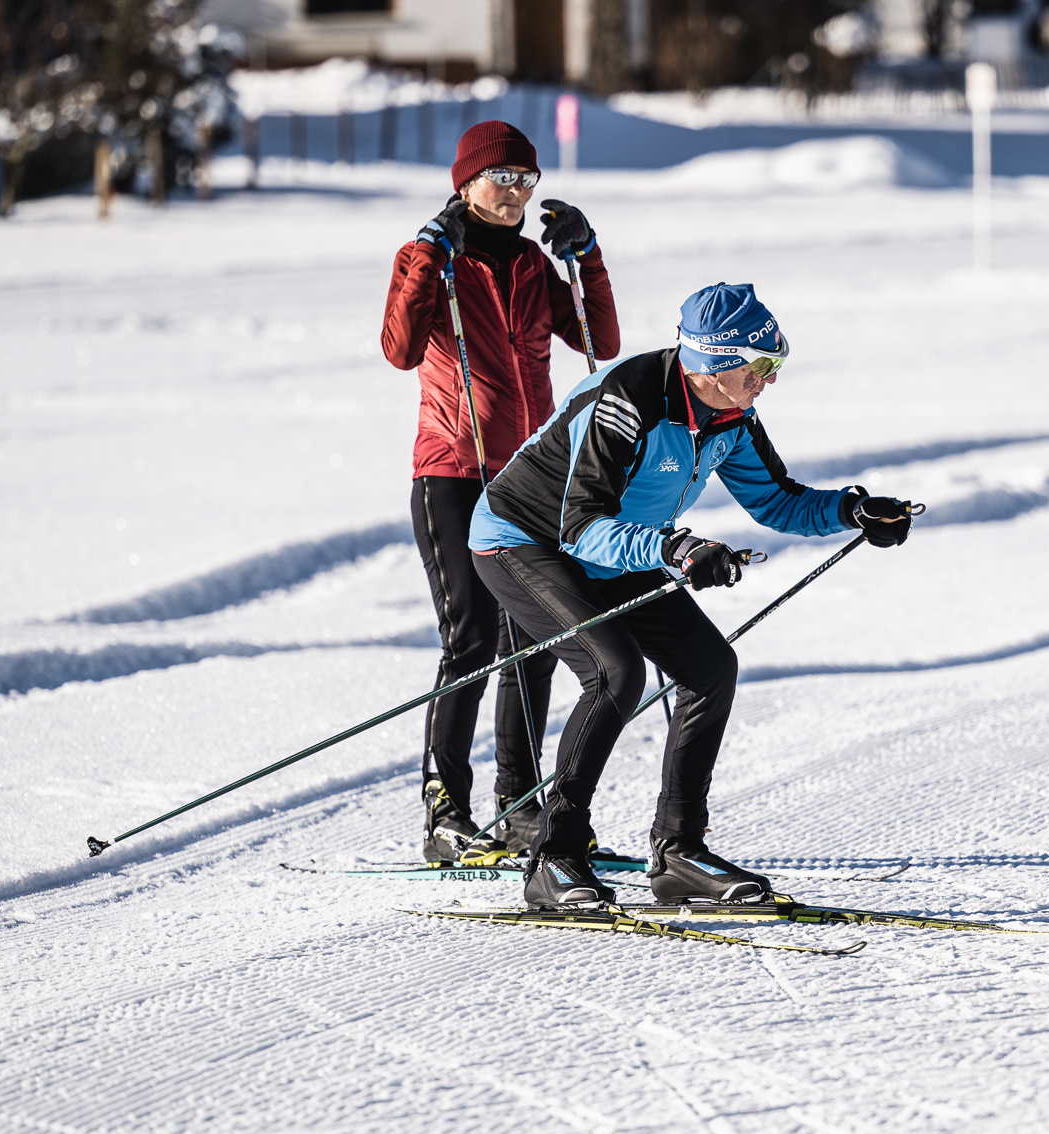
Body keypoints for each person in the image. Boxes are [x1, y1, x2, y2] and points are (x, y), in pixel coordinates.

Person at [467, 282, 918, 908]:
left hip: (621, 541)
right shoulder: (626, 402)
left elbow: (776, 500)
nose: (770, 380)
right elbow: (580, 524)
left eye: (776, 364)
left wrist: (853, 509)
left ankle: (678, 852)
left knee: (709, 668)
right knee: (613, 672)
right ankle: (556, 856)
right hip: (525, 541)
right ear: (712, 365)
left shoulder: (731, 415)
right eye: (760, 367)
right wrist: (673, 550)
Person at [380, 120, 620, 866]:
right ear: (466, 183)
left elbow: (600, 341)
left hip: (525, 480)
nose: (516, 192)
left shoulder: (528, 265)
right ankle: (444, 811)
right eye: (502, 178)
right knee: (472, 639)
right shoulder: (431, 258)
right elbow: (399, 349)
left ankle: (519, 807)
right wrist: (426, 257)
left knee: (535, 641)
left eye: (527, 179)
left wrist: (588, 259)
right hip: (451, 472)